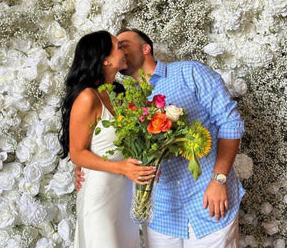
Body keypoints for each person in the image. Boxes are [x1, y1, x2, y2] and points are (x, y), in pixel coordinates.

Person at [75, 29, 245, 248]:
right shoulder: (125, 100)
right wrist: (84, 163)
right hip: (161, 214)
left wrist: (219, 179)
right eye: (116, 45)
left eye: (123, 43)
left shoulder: (189, 72)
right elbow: (109, 141)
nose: (119, 48)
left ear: (146, 48)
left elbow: (230, 123)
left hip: (209, 201)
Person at [59, 30, 156, 248]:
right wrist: (122, 168)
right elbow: (77, 153)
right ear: (105, 59)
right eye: (118, 47)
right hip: (101, 194)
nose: (123, 51)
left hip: (124, 194)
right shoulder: (87, 97)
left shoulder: (120, 93)